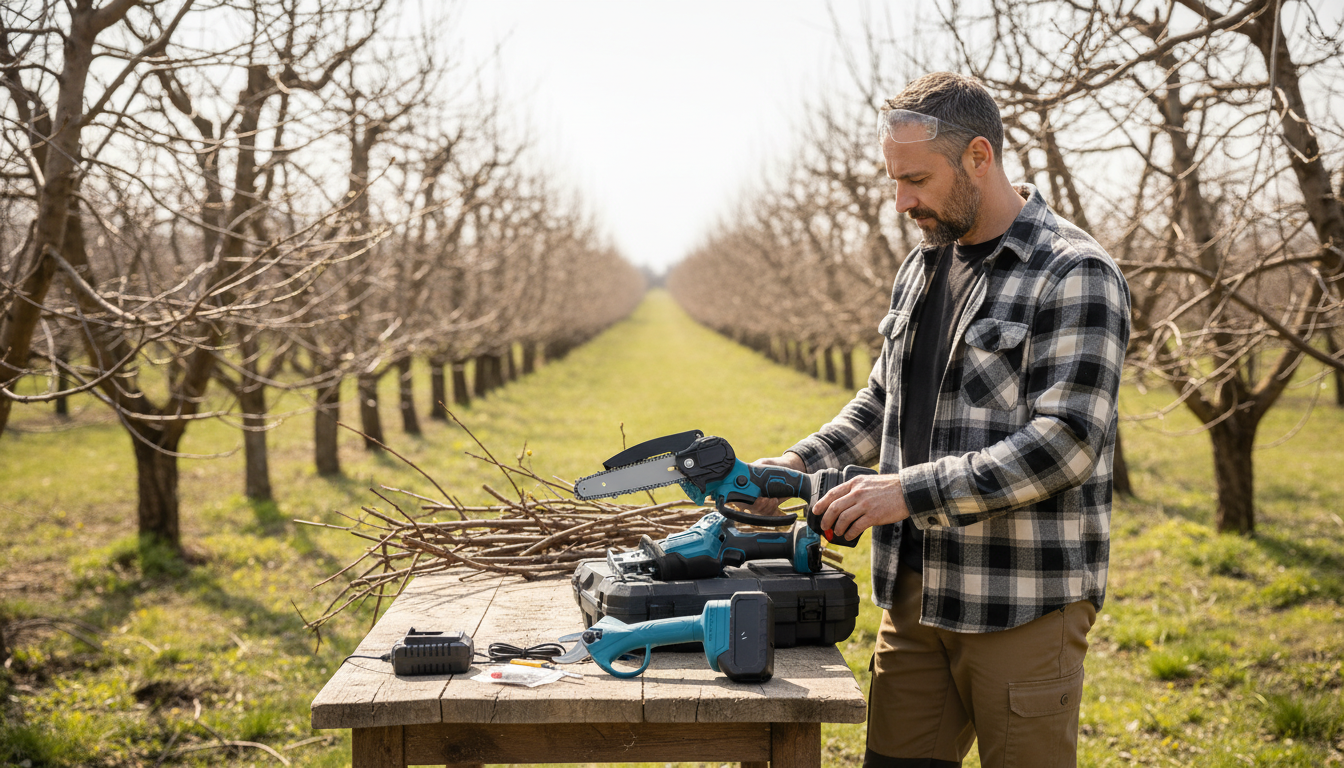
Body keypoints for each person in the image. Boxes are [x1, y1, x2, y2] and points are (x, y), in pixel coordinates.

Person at [752, 72, 1131, 767]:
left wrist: (900, 492)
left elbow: (1064, 444)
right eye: (895, 180)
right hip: (914, 598)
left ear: (979, 157)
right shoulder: (922, 265)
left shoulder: (1073, 273)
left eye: (917, 180)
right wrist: (794, 464)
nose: (902, 201)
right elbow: (881, 401)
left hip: (1019, 602)